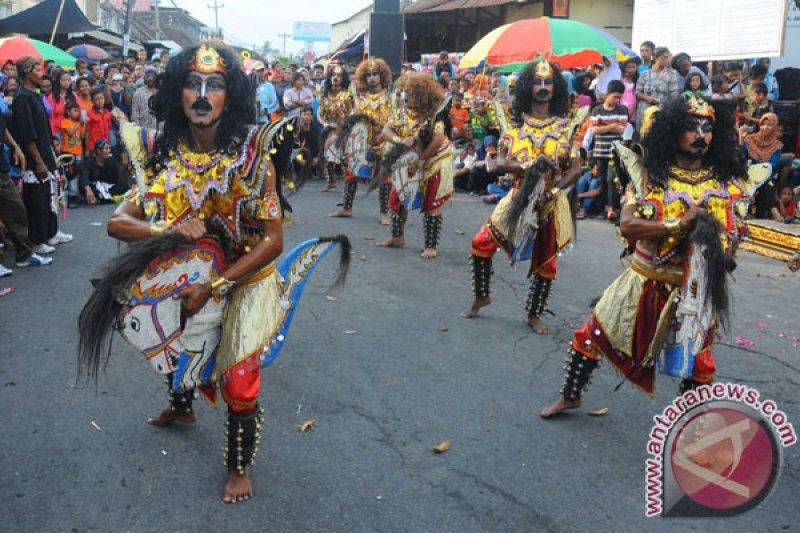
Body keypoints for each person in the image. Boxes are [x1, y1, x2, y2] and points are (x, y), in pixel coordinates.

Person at [96, 43, 301, 504]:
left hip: (244, 275)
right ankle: (182, 407)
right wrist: (165, 227)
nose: (203, 95)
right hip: (190, 275)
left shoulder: (253, 158)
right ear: (177, 93)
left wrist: (217, 284)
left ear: (233, 97)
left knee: (239, 378)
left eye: (215, 85)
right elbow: (117, 221)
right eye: (192, 84)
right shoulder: (161, 156)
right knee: (170, 339)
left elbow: (273, 240)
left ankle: (238, 468)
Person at [540, 93, 770, 418]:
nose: (701, 135)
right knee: (591, 334)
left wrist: (719, 243)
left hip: (694, 290)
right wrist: (679, 223)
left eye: (707, 128)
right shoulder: (649, 176)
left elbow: (734, 239)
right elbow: (628, 225)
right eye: (692, 127)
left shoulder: (729, 184)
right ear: (673, 130)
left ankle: (687, 431)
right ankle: (571, 395)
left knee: (699, 365)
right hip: (642, 280)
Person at [462, 58, 587, 333]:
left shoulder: (567, 127)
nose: (543, 88)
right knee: (481, 243)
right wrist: (512, 163)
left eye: (548, 83)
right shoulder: (514, 126)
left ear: (556, 88)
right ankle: (482, 295)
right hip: (517, 197)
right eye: (537, 82)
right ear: (528, 87)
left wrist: (553, 190)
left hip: (551, 203)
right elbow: (501, 163)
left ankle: (534, 314)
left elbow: (576, 169)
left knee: (547, 263)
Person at [377, 72, 453, 258]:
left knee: (431, 201)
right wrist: (399, 141)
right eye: (404, 93)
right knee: (397, 195)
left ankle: (430, 246)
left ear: (420, 95)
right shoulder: (402, 112)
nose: (404, 96)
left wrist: (419, 162)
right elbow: (386, 130)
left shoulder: (435, 115)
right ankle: (397, 237)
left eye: (409, 94)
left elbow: (437, 140)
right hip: (410, 158)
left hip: (435, 159)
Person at [11, 56, 72, 255]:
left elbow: (42, 126)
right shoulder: (22, 98)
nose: (41, 73)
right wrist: (37, 161)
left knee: (51, 194)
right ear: (28, 71)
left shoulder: (35, 94)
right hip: (34, 157)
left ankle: (51, 232)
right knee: (37, 199)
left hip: (46, 151)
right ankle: (37, 240)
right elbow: (27, 134)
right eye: (37, 69)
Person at [331, 57, 394, 223]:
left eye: (375, 74)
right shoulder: (359, 98)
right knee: (352, 172)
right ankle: (346, 208)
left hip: (383, 139)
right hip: (362, 141)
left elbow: (396, 119)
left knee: (384, 175)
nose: (372, 78)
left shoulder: (391, 97)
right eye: (368, 75)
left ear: (382, 75)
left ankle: (383, 213)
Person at [0, 97, 52, 270]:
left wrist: (15, 146)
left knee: (16, 210)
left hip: (2, 169)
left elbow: (3, 127)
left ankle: (25, 255)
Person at [586, 80, 629, 221]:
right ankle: (605, 207)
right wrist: (612, 126)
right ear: (607, 94)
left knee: (613, 180)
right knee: (603, 180)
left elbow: (622, 129)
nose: (617, 100)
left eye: (619, 97)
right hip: (600, 150)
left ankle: (611, 207)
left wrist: (604, 126)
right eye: (615, 96)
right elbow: (594, 130)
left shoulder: (622, 109)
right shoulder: (597, 110)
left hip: (615, 151)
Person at [317, 64, 353, 193]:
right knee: (327, 152)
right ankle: (330, 181)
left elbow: (352, 112)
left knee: (344, 156)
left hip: (345, 128)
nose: (335, 78)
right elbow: (319, 114)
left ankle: (348, 183)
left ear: (343, 79)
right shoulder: (325, 95)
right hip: (330, 128)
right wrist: (326, 124)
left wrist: (344, 124)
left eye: (339, 75)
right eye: (333, 75)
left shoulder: (347, 96)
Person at [635, 47, 680, 130]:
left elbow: (674, 96)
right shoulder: (645, 74)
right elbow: (637, 92)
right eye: (665, 57)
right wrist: (647, 98)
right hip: (644, 111)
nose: (668, 60)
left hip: (661, 111)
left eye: (668, 57)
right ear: (656, 58)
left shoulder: (672, 74)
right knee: (643, 134)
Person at [80, 139, 127, 204]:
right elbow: (84, 178)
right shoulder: (89, 163)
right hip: (95, 187)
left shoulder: (111, 161)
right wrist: (88, 190)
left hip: (108, 187)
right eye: (106, 149)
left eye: (109, 148)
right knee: (92, 189)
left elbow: (118, 179)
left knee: (123, 187)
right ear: (99, 151)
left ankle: (102, 198)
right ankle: (101, 197)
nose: (109, 151)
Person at [60, 102, 84, 208]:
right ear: (68, 112)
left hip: (78, 151)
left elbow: (82, 136)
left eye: (78, 111)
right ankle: (71, 197)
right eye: (75, 111)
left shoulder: (78, 123)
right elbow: (70, 132)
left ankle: (75, 194)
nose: (77, 113)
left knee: (77, 174)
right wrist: (79, 123)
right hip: (68, 152)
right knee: (71, 174)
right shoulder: (65, 122)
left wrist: (84, 124)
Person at [85, 88, 112, 158]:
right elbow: (87, 132)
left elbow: (109, 128)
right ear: (92, 101)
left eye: (101, 98)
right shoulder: (89, 114)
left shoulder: (107, 112)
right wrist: (87, 149)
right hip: (94, 145)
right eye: (96, 100)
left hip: (106, 144)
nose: (100, 101)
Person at [48, 69, 75, 139]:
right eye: (63, 80)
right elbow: (51, 117)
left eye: (68, 80)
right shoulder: (52, 97)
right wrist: (52, 133)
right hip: (57, 132)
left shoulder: (74, 96)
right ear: (58, 81)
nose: (66, 82)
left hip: (72, 131)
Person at [131, 67, 159, 131]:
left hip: (160, 128)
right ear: (144, 78)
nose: (151, 78)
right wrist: (137, 130)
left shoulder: (161, 91)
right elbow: (135, 113)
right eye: (148, 76)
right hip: (144, 129)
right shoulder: (138, 92)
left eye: (153, 76)